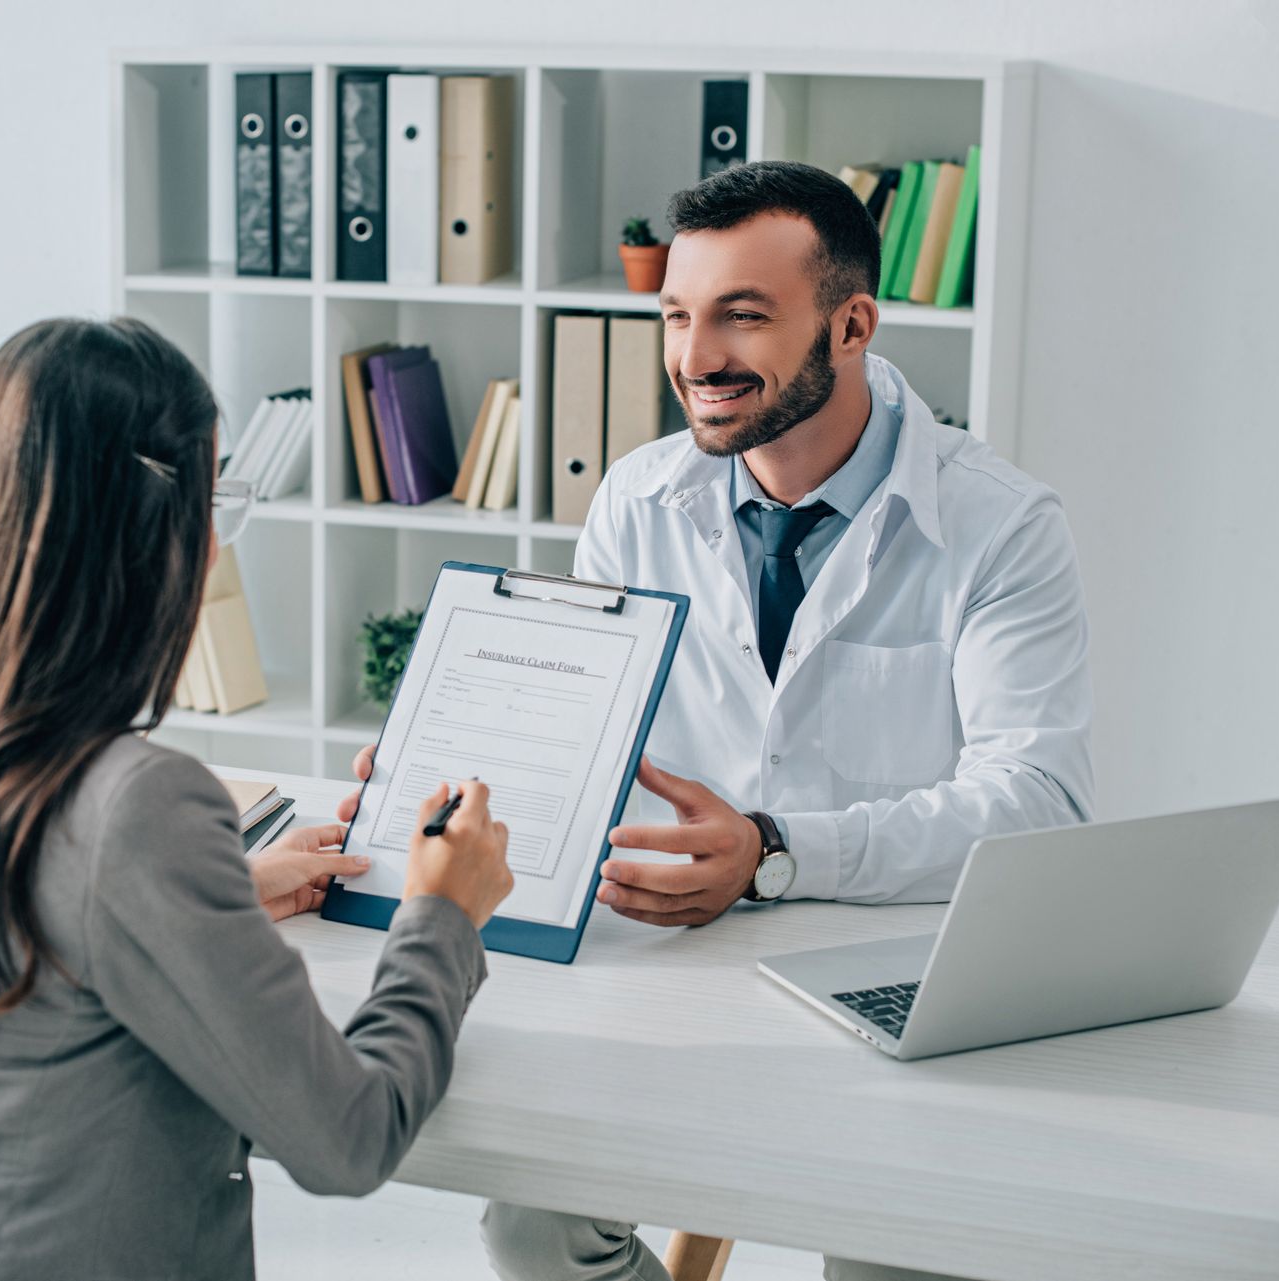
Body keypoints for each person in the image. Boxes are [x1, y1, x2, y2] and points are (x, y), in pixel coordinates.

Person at [339, 161, 1095, 1280]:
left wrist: (772, 853)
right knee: (531, 1221)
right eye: (678, 317)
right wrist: (435, 781)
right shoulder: (637, 500)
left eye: (744, 317)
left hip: (890, 977)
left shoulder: (1003, 529)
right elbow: (586, 731)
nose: (696, 359)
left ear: (851, 323)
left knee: (903, 1254)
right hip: (673, 974)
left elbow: (1041, 805)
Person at [0, 317, 514, 1281]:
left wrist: (218, 895)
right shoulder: (139, 803)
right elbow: (348, 1137)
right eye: (214, 501)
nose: (218, 547)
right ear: (152, 530)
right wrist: (442, 914)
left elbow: (38, 929)